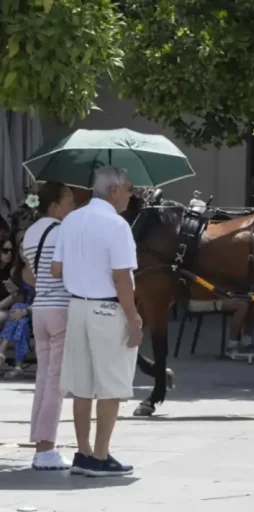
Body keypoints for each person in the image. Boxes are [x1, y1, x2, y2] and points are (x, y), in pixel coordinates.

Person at [52, 166, 141, 477]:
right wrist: (134, 318)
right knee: (110, 386)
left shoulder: (71, 220)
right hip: (107, 308)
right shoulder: (117, 225)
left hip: (77, 305)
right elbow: (121, 278)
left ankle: (84, 452)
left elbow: (57, 268)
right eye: (129, 188)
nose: (131, 194)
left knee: (82, 386)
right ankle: (100, 456)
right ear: (114, 190)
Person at [21, 182, 76, 470]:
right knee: (57, 381)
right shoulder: (63, 232)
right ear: (54, 205)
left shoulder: (30, 232)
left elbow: (29, 275)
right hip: (61, 308)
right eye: (69, 201)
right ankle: (45, 449)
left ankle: (40, 442)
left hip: (39, 307)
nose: (73, 206)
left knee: (44, 378)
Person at [0, 233, 34, 378]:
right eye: (20, 249)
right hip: (20, 310)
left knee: (18, 310)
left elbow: (41, 297)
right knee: (20, 321)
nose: (23, 253)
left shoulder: (39, 271)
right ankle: (18, 366)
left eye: (26, 249)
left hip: (37, 308)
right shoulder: (16, 271)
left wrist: (26, 310)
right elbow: (18, 297)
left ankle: (2, 350)